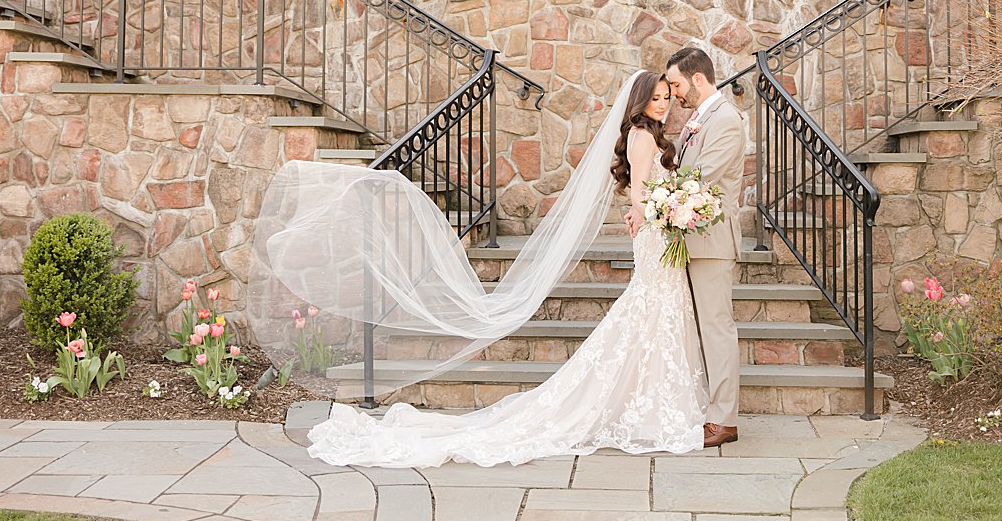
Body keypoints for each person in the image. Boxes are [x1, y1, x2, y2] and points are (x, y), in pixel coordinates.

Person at [285, 69, 710, 468]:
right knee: (652, 310)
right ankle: (651, 407)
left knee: (656, 314)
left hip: (660, 235)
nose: (663, 104)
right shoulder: (641, 138)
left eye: (666, 98)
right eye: (655, 99)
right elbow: (639, 195)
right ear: (638, 102)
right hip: (657, 236)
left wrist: (672, 207)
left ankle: (653, 402)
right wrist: (668, 211)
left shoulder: (650, 136)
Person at [656, 45, 748, 448]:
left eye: (675, 83)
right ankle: (705, 408)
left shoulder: (726, 119)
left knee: (716, 328)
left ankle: (724, 419)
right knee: (697, 329)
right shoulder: (698, 118)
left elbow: (699, 177)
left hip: (711, 242)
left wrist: (653, 199)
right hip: (690, 237)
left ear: (697, 78)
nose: (673, 92)